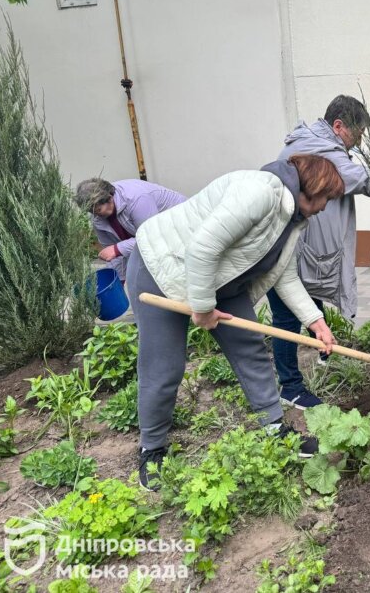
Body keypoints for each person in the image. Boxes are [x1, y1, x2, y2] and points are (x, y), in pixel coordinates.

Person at [127, 155, 343, 490]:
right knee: (164, 367)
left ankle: (274, 429)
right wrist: (202, 308)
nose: (325, 207)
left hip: (219, 280)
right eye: (327, 198)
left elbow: (283, 275)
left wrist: (315, 321)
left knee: (251, 351)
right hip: (163, 270)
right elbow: (201, 249)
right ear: (313, 188)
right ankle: (152, 448)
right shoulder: (259, 192)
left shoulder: (293, 219)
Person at [268, 96, 370, 409]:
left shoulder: (314, 141)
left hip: (301, 244)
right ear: (338, 126)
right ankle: (289, 386)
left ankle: (323, 350)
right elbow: (362, 181)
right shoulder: (319, 148)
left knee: (308, 293)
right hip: (284, 248)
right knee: (285, 317)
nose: (356, 144)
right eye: (356, 136)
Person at [75, 178, 185, 279]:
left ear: (109, 198)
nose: (95, 215)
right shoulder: (97, 216)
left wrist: (117, 249)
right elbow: (113, 254)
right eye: (90, 211)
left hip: (182, 228)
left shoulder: (137, 198)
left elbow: (152, 238)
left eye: (98, 210)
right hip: (159, 240)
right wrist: (118, 281)